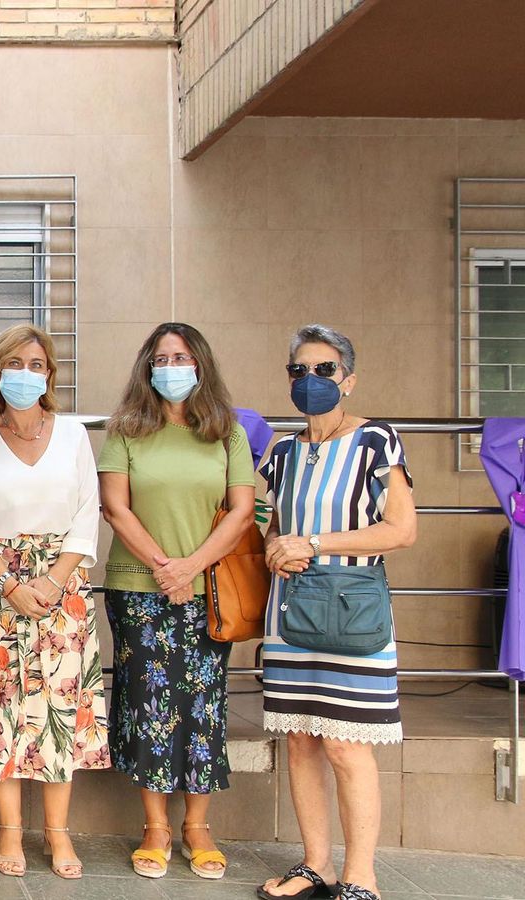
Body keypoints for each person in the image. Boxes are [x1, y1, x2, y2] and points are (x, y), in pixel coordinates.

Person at [0, 325, 107, 880]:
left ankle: (58, 832)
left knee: (60, 707)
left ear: (50, 375)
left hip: (63, 587)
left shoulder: (75, 435)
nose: (26, 373)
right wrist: (11, 585)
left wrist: (55, 581)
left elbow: (88, 512)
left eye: (37, 364)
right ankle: (8, 827)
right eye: (14, 363)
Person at [257, 325, 415, 900]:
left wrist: (314, 543)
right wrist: (276, 548)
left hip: (352, 609)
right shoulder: (281, 452)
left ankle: (361, 875)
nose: (310, 380)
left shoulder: (376, 441)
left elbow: (402, 529)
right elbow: (276, 526)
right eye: (299, 370)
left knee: (348, 744)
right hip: (292, 611)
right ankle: (315, 864)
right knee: (300, 738)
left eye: (324, 370)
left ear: (348, 379)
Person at [97, 322, 255, 880]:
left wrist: (191, 567)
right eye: (161, 357)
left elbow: (241, 511)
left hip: (207, 588)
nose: (171, 366)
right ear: (147, 367)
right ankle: (156, 827)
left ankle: (198, 826)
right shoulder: (126, 429)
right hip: (138, 587)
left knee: (204, 701)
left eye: (182, 356)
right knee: (148, 700)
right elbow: (115, 508)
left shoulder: (227, 432)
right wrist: (166, 568)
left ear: (201, 364)